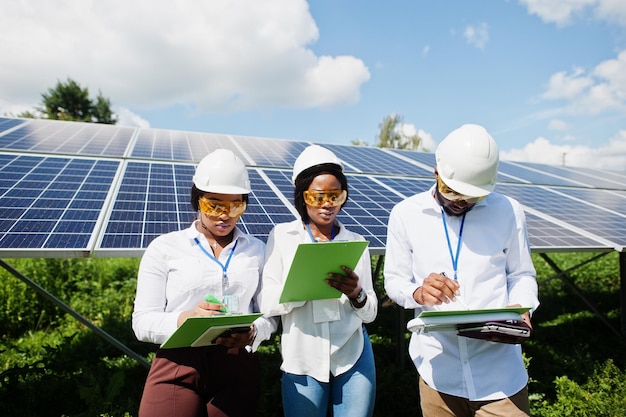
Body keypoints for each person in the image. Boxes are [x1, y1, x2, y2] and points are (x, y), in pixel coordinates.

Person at [384, 124, 539, 417]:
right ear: (436, 172)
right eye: (452, 191)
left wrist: (521, 306)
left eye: (472, 196)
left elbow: (521, 275)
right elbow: (394, 280)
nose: (460, 201)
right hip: (438, 375)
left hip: (500, 377)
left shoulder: (509, 211)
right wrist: (417, 292)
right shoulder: (405, 214)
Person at [132, 149, 275, 417]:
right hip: (179, 358)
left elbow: (269, 314)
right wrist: (184, 319)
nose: (225, 215)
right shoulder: (164, 248)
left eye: (236, 205)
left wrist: (254, 332)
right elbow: (141, 323)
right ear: (197, 200)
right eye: (214, 205)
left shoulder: (258, 250)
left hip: (237, 363)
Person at [260, 145, 378, 417]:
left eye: (335, 195)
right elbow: (266, 302)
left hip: (353, 354)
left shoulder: (355, 242)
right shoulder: (282, 237)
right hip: (303, 359)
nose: (327, 204)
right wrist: (301, 288)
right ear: (302, 196)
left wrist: (357, 294)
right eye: (318, 196)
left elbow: (370, 313)